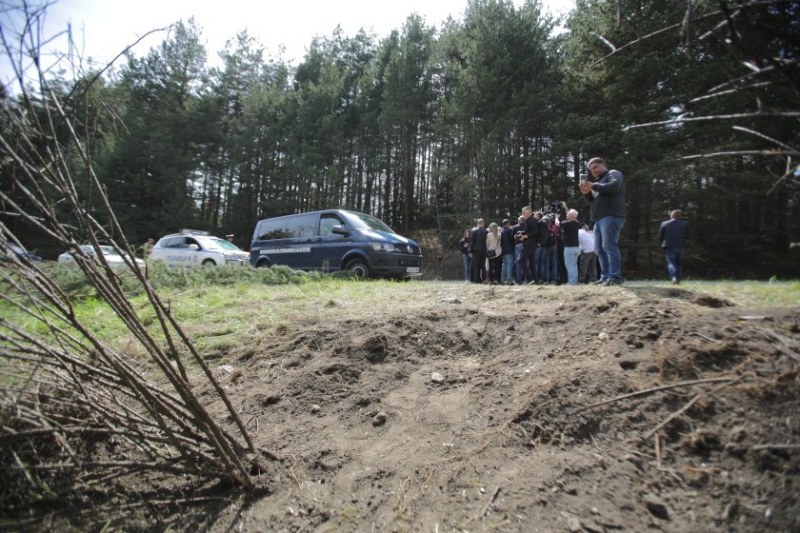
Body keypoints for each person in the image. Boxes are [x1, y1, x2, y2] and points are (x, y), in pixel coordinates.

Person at [580, 158, 625, 285]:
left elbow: (614, 186)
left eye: (595, 167)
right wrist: (586, 193)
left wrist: (593, 185)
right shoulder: (597, 183)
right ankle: (605, 277)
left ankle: (615, 277)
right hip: (598, 219)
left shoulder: (613, 173)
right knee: (599, 249)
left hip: (611, 215)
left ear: (603, 165)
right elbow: (591, 202)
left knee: (609, 246)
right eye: (591, 169)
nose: (593, 171)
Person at [658, 209, 689, 284]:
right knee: (680, 263)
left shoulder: (664, 223)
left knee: (671, 262)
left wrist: (662, 243)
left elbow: (660, 236)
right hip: (681, 246)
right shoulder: (685, 223)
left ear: (671, 215)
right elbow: (688, 236)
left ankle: (673, 277)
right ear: (680, 216)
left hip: (669, 246)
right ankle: (678, 280)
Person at [516, 207, 539, 284]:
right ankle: (535, 281)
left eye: (524, 212)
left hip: (529, 244)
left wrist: (525, 236)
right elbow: (529, 231)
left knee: (520, 260)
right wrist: (521, 233)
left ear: (529, 212)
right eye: (522, 212)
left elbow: (535, 231)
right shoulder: (529, 221)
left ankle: (530, 279)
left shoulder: (532, 221)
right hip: (531, 244)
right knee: (532, 263)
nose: (522, 214)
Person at [560, 206, 581, 285]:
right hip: (576, 247)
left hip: (569, 248)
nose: (566, 215)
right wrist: (565, 207)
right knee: (574, 265)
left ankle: (572, 282)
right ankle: (575, 281)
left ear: (571, 216)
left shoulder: (567, 224)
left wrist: (556, 218)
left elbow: (558, 224)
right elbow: (570, 218)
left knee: (569, 266)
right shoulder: (577, 223)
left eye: (568, 214)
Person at [469, 218, 488, 283]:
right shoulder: (486, 231)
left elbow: (472, 242)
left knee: (476, 265)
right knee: (483, 265)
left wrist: (470, 251)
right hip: (484, 250)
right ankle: (483, 279)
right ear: (483, 223)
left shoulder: (474, 231)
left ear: (477, 223)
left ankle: (477, 279)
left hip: (476, 250)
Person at [500, 219, 516, 285]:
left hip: (503, 250)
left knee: (504, 265)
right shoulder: (510, 231)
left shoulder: (501, 231)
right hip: (510, 250)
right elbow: (512, 240)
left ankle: (503, 279)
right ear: (507, 224)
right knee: (509, 265)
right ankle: (509, 279)